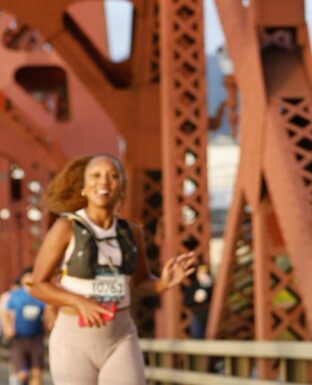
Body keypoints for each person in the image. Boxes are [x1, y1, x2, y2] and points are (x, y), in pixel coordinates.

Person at [28, 154, 197, 385]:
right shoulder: (66, 227)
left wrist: (164, 283)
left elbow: (140, 283)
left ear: (122, 187)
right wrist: (79, 302)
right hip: (74, 341)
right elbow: (37, 286)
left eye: (113, 176)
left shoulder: (132, 232)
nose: (104, 182)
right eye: (95, 176)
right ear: (84, 188)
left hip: (120, 336)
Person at [3, 268, 46, 385]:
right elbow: (6, 312)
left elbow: (48, 313)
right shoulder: (15, 296)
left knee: (37, 375)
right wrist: (7, 328)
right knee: (22, 375)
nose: (29, 280)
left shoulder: (42, 296)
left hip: (36, 338)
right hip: (19, 338)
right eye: (27, 277)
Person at [182, 262, 213, 339]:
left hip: (211, 314)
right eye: (201, 271)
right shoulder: (193, 285)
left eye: (205, 270)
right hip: (198, 315)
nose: (203, 273)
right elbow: (186, 302)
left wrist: (208, 287)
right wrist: (195, 299)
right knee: (197, 335)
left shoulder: (212, 285)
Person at [1, 279, 22, 385]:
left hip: (22, 332)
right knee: (15, 357)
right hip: (11, 331)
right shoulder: (8, 297)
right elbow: (3, 314)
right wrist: (7, 329)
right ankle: (14, 379)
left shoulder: (23, 297)